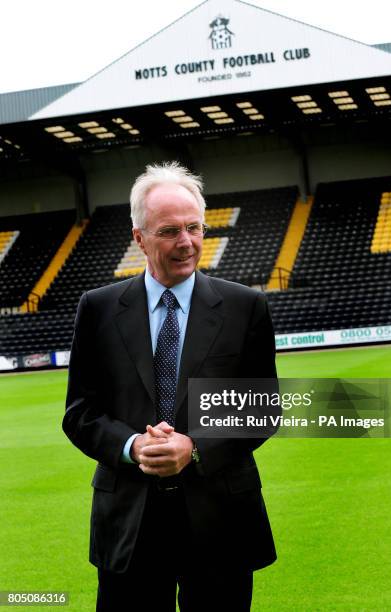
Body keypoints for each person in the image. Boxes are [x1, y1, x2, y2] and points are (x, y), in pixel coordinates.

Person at [63, 161, 278, 612]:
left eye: (194, 227)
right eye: (169, 231)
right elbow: (80, 412)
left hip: (222, 521)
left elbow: (262, 409)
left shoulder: (246, 306)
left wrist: (194, 447)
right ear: (139, 237)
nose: (187, 243)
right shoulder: (98, 309)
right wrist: (134, 446)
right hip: (129, 525)